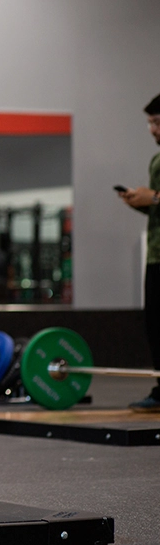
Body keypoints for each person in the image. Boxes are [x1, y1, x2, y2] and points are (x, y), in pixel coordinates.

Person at [117, 93, 160, 411]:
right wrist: (141, 203)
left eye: (156, 122)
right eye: (149, 123)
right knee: (155, 324)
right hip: (156, 255)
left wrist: (154, 197)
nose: (151, 129)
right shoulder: (156, 160)